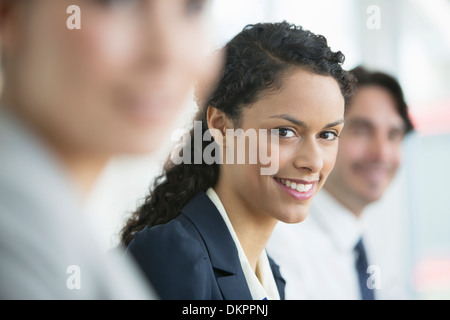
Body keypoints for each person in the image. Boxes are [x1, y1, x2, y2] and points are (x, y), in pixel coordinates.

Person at [121, 21, 356, 300]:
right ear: (221, 126)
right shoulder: (174, 256)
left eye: (328, 134)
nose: (314, 162)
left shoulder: (272, 275)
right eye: (285, 132)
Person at [0, 0, 214, 299]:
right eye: (118, 4)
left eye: (192, 8)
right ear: (8, 14)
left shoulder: (60, 231)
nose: (167, 52)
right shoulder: (17, 243)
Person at [267, 66, 414, 300]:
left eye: (394, 134)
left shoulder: (377, 240)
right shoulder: (283, 242)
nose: (382, 153)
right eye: (362, 131)